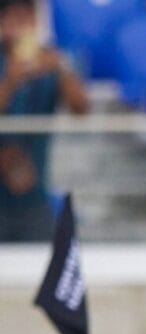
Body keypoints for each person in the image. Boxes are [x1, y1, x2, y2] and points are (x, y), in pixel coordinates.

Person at [0, 0, 88, 242]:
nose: (23, 26)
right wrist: (11, 80)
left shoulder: (52, 59)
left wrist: (62, 68)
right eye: (15, 18)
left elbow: (81, 109)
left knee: (41, 262)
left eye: (28, 18)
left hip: (35, 195)